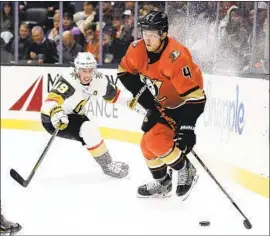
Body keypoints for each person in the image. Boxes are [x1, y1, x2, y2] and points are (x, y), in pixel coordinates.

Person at [117, 11, 206, 199]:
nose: (146, 39)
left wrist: (187, 128)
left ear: (163, 34)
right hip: (162, 104)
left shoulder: (176, 57)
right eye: (144, 33)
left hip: (183, 106)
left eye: (152, 34)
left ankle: (185, 169)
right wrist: (149, 103)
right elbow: (124, 73)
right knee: (146, 144)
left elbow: (196, 98)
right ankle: (163, 183)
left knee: (155, 141)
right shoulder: (137, 49)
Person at [40, 52, 129, 178]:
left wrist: (136, 104)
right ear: (77, 69)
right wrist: (56, 112)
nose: (87, 75)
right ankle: (108, 165)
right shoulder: (69, 80)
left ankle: (107, 164)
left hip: (75, 116)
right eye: (83, 71)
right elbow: (49, 102)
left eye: (90, 70)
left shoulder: (99, 80)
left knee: (90, 128)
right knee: (89, 129)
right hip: (53, 118)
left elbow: (116, 96)